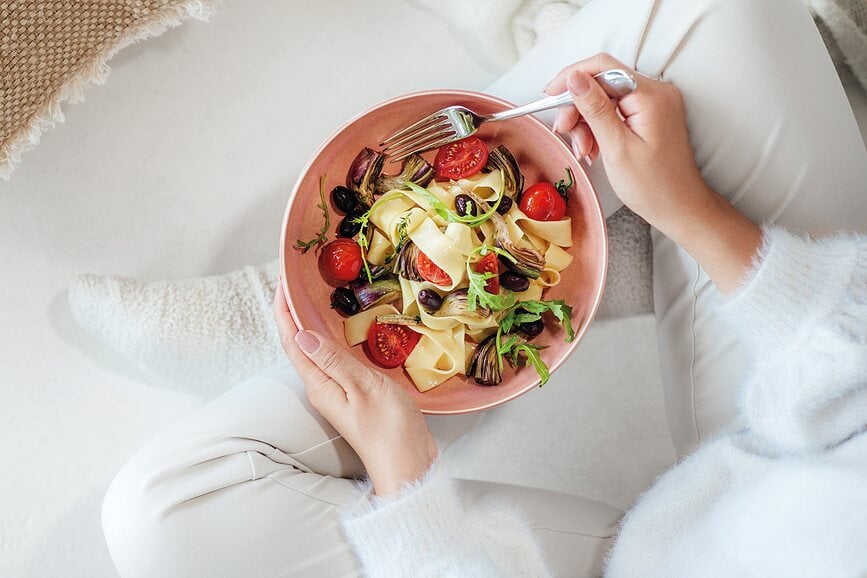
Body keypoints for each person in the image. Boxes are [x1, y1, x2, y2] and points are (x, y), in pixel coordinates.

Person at [101, 0, 867, 575]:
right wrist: (692, 211)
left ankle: (293, 320)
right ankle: (624, 245)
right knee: (722, 9)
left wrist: (410, 488)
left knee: (161, 514)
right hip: (801, 429)